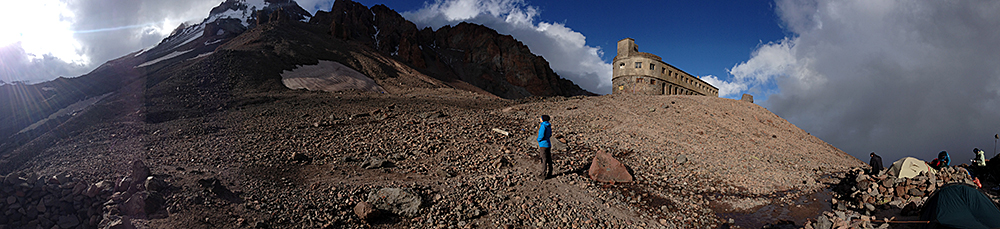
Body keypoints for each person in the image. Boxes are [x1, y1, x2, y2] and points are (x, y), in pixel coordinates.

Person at [537, 115, 553, 179]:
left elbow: (541, 135)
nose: (539, 119)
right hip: (548, 144)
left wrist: (538, 140)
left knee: (543, 160)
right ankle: (550, 173)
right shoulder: (548, 125)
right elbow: (550, 134)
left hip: (543, 145)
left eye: (540, 118)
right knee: (549, 159)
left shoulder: (543, 126)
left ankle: (543, 175)